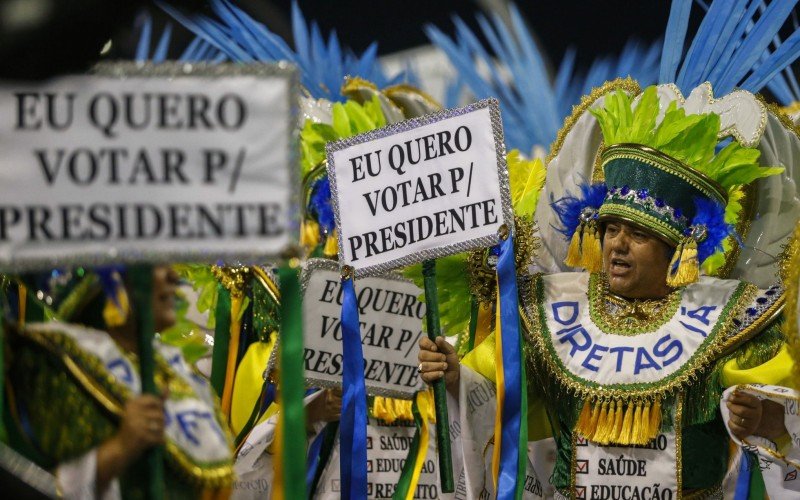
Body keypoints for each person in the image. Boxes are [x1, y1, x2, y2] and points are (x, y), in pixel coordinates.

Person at [419, 83, 795, 498]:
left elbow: (780, 406)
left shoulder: (728, 313)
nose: (617, 243)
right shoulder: (555, 306)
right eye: (610, 228)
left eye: (637, 234)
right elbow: (501, 396)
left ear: (678, 250)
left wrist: (764, 419)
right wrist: (455, 376)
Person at [5, 266, 234, 499]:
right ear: (113, 283)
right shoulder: (50, 365)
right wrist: (122, 447)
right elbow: (33, 480)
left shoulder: (177, 371)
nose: (173, 276)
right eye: (153, 264)